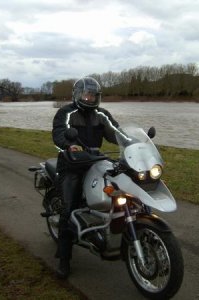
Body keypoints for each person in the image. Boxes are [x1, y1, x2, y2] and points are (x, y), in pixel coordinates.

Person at [52, 76, 120, 279]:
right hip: (71, 163)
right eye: (87, 94)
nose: (90, 98)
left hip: (95, 161)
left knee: (119, 188)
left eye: (94, 95)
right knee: (68, 208)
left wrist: (133, 141)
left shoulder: (101, 114)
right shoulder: (66, 112)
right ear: (78, 94)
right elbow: (59, 134)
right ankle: (64, 259)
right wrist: (69, 145)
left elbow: (116, 132)